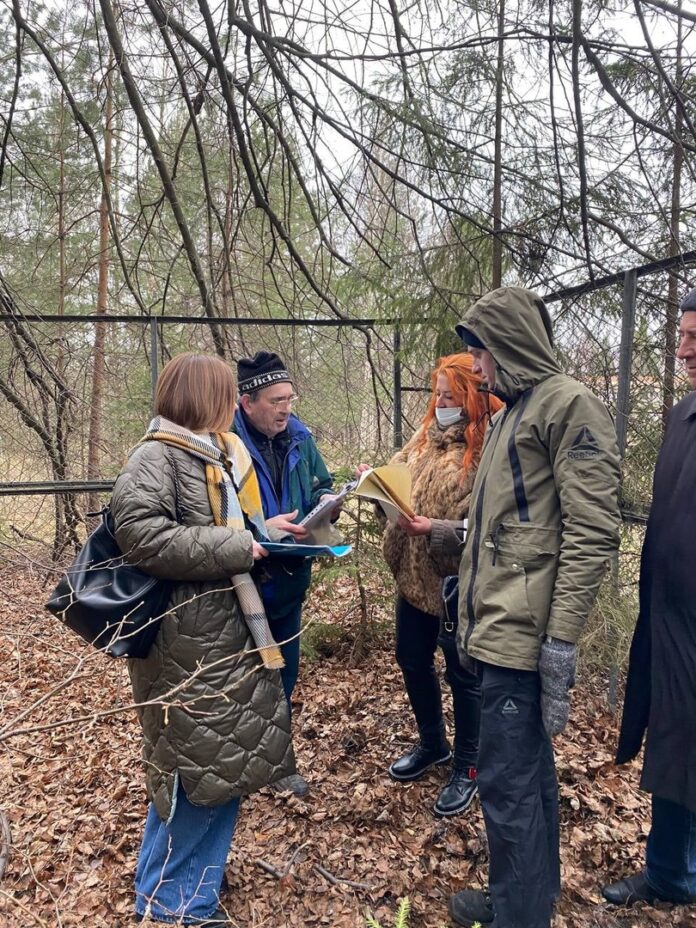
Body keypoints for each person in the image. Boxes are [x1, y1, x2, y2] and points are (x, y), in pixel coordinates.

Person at [448, 287, 621, 928]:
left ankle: (519, 915)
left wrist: (561, 641)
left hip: (524, 635)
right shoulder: (513, 414)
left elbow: (591, 529)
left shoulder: (568, 405)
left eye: (482, 353)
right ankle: (525, 896)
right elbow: (507, 526)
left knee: (508, 783)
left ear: (511, 344)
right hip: (497, 626)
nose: (478, 369)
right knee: (525, 777)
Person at [111, 353, 295, 926]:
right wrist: (237, 548)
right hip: (185, 645)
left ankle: (170, 887)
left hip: (216, 636)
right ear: (202, 398)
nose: (229, 404)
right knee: (197, 774)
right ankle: (173, 905)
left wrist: (264, 534)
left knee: (213, 767)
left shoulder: (205, 454)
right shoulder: (156, 456)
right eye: (223, 394)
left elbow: (218, 528)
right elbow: (140, 535)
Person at [358, 354, 502, 816]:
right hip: (414, 580)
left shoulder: (489, 448)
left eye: (449, 395)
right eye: (436, 393)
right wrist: (376, 487)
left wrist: (433, 529)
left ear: (472, 397)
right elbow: (394, 481)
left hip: (460, 585)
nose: (439, 402)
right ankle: (433, 744)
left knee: (464, 677)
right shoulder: (423, 439)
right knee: (412, 660)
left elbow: (488, 531)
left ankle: (468, 767)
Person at [601, 288, 696, 909]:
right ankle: (670, 872)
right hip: (669, 617)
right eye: (683, 336)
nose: (684, 350)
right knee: (672, 746)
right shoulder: (684, 414)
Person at [233, 350, 338, 797]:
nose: (285, 409)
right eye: (276, 400)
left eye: (290, 399)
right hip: (241, 585)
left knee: (284, 675)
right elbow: (211, 516)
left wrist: (329, 504)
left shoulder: (300, 436)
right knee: (239, 681)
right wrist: (260, 528)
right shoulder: (226, 445)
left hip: (291, 580)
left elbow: (321, 483)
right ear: (247, 402)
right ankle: (234, 768)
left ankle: (277, 764)